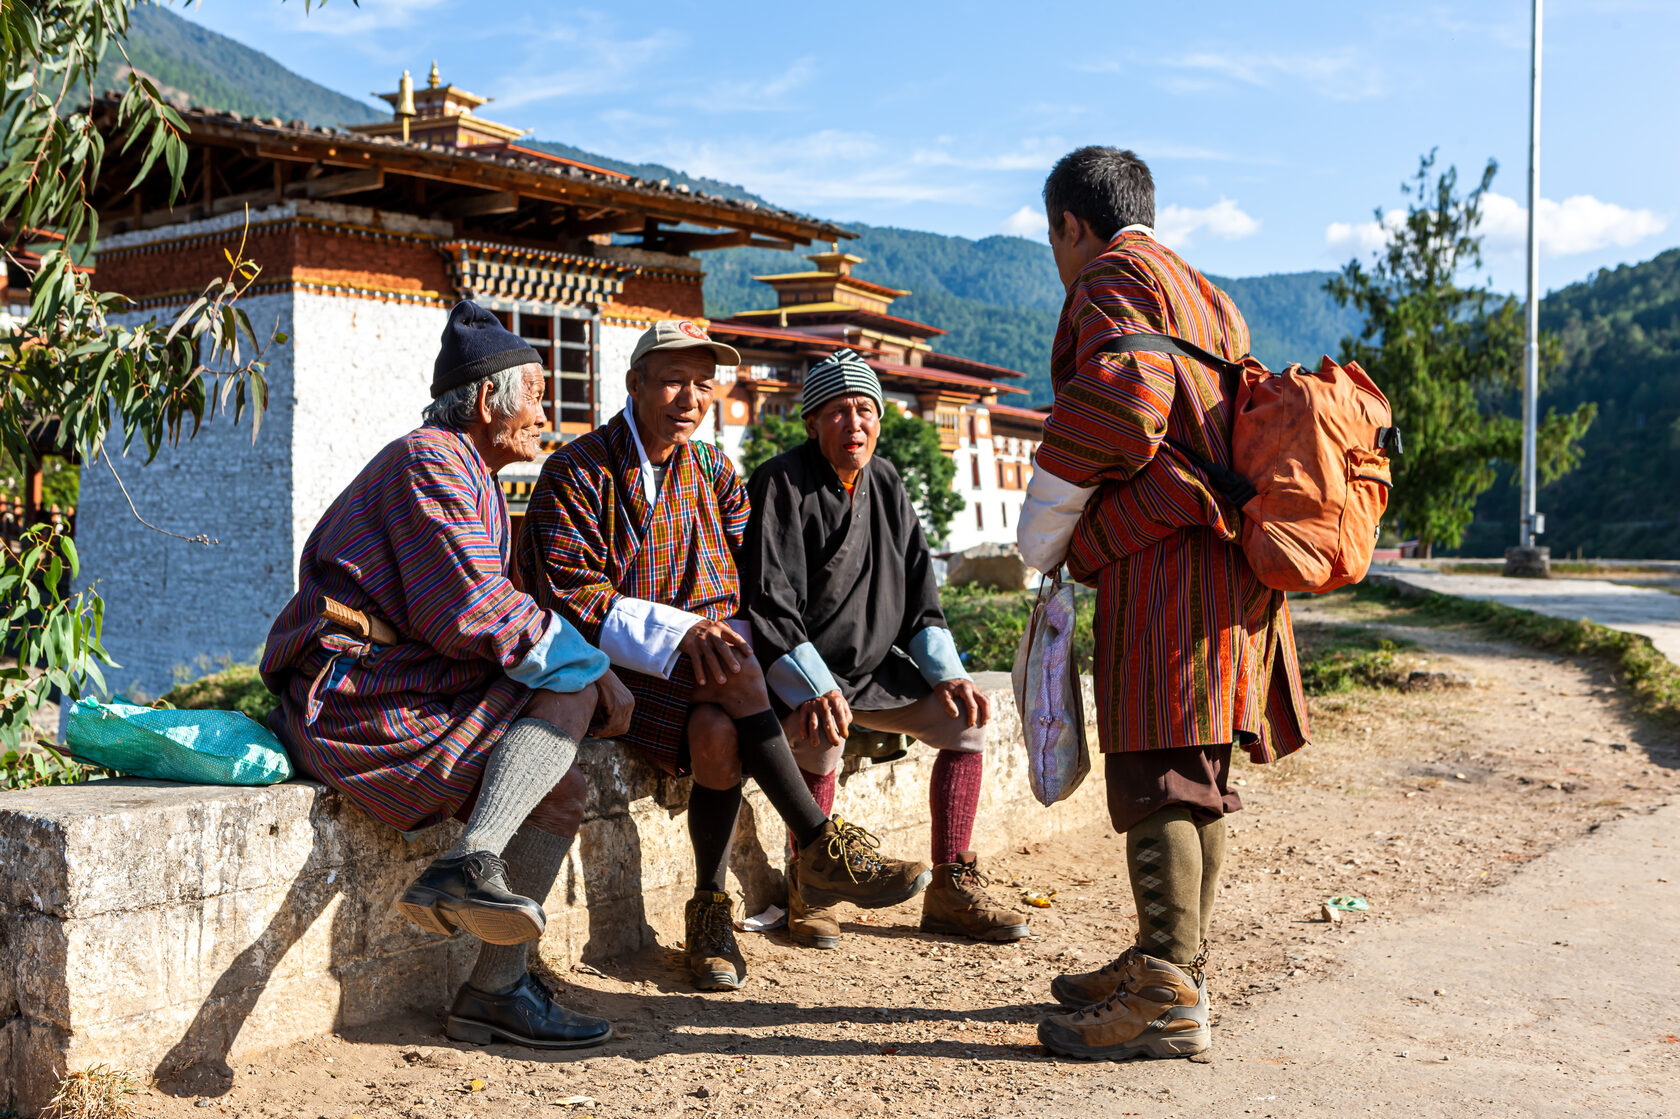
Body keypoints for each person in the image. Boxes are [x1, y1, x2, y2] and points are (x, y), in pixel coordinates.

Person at [516, 319, 932, 992]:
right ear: (635, 383)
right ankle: (820, 842)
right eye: (673, 380)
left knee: (716, 734)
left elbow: (750, 581)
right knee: (731, 666)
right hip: (609, 669)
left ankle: (708, 914)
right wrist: (684, 633)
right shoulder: (578, 470)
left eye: (703, 383)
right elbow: (571, 596)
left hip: (709, 670)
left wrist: (733, 645)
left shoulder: (712, 469)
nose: (689, 397)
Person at [261, 300, 633, 1051]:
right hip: (358, 703)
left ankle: (495, 990)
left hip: (406, 689)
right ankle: (470, 862)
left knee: (561, 787)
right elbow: (474, 610)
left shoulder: (472, 474)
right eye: (534, 395)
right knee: (570, 682)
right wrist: (596, 667)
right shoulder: (429, 461)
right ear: (490, 398)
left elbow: (483, 613)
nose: (544, 414)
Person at [1016, 147, 1308, 1061]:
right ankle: (1166, 960)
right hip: (1235, 567)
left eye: (1053, 237)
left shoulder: (1110, 277)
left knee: (1157, 771)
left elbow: (1125, 402)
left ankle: (1168, 996)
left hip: (1168, 565)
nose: (1058, 257)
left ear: (1070, 223)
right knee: (1203, 772)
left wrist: (1045, 525)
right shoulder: (1211, 295)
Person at [740, 349, 1029, 950]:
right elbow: (770, 600)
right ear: (811, 421)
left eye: (866, 410)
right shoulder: (781, 482)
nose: (855, 424)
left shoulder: (889, 483)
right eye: (838, 412)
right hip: (800, 672)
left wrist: (947, 674)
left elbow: (922, 597)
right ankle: (810, 889)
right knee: (824, 734)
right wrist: (815, 685)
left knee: (966, 723)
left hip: (871, 672)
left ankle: (950, 886)